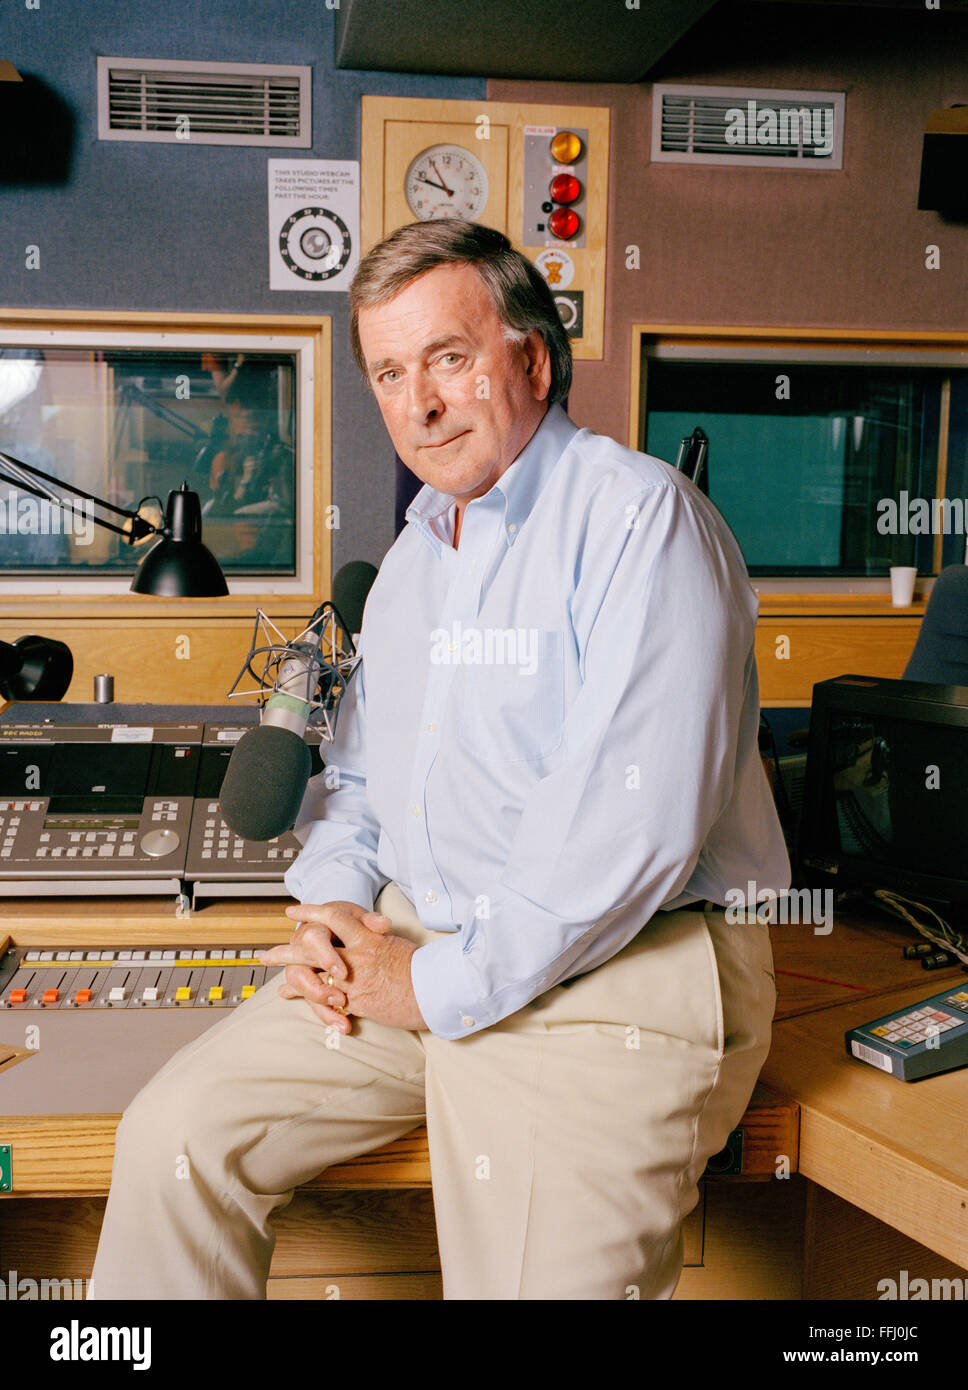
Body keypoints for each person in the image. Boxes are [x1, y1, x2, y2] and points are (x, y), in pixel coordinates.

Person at [90, 219, 789, 1301]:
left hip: (613, 973)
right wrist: (330, 911)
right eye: (387, 371)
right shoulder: (420, 557)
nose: (416, 403)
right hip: (425, 945)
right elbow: (362, 782)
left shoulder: (638, 519)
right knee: (172, 1142)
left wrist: (427, 982)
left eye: (449, 359)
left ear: (532, 360)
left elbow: (627, 832)